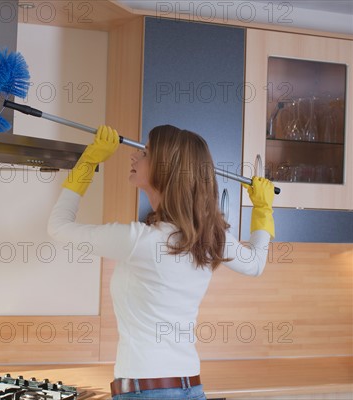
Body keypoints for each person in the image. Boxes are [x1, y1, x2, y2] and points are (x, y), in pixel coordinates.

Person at [48, 125, 275, 400]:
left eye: (145, 152)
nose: (134, 157)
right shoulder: (210, 238)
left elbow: (58, 227)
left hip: (147, 391)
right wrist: (262, 210)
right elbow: (255, 264)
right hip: (190, 387)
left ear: (166, 169)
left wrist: (90, 160)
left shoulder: (139, 241)